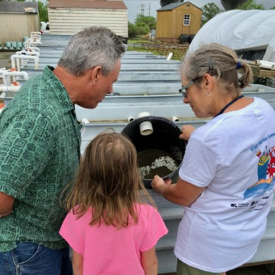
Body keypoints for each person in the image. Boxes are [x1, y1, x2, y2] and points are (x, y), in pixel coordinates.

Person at [0, 26, 125, 275]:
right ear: (96, 73)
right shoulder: (39, 115)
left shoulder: (54, 95)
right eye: (111, 83)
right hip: (27, 250)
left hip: (45, 243)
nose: (110, 91)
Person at [151, 43, 275, 275]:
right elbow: (238, 145)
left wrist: (161, 188)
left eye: (185, 90)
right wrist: (198, 137)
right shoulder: (264, 109)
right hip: (245, 235)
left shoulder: (209, 139)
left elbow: (182, 196)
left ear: (207, 82)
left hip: (206, 249)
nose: (186, 100)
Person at [59, 132, 168, 275]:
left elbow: (78, 265)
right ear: (131, 174)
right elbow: (150, 264)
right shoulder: (147, 215)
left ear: (88, 173)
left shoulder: (77, 215)